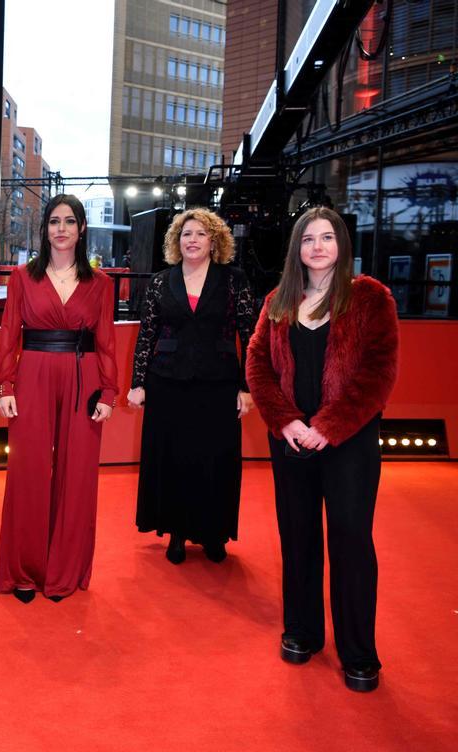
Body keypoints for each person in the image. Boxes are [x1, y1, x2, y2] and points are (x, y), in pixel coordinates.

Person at [246, 206, 398, 693]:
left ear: (341, 245)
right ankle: (302, 631)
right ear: (296, 248)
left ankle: (359, 653)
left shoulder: (371, 298)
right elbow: (257, 365)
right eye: (308, 238)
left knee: (351, 541)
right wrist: (285, 420)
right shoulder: (278, 301)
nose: (317, 246)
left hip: (349, 442)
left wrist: (328, 427)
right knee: (298, 536)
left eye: (327, 237)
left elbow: (378, 373)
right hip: (291, 441)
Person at [0, 194, 118, 603]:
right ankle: (26, 571)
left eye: (69, 221)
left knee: (77, 475)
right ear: (44, 230)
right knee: (27, 471)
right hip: (32, 373)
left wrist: (109, 391)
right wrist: (5, 385)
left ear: (82, 229)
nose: (60, 229)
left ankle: (63, 572)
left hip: (84, 376)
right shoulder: (22, 278)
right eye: (53, 221)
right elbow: (9, 332)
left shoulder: (100, 284)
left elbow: (108, 343)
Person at [127, 208, 257, 564]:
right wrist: (138, 383)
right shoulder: (159, 281)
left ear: (214, 241)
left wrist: (247, 387)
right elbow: (146, 336)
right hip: (167, 383)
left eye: (200, 233)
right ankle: (177, 533)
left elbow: (250, 336)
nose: (193, 240)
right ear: (176, 241)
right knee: (173, 460)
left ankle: (214, 534)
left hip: (218, 385)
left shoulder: (234, 281)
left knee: (215, 460)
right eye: (186, 234)